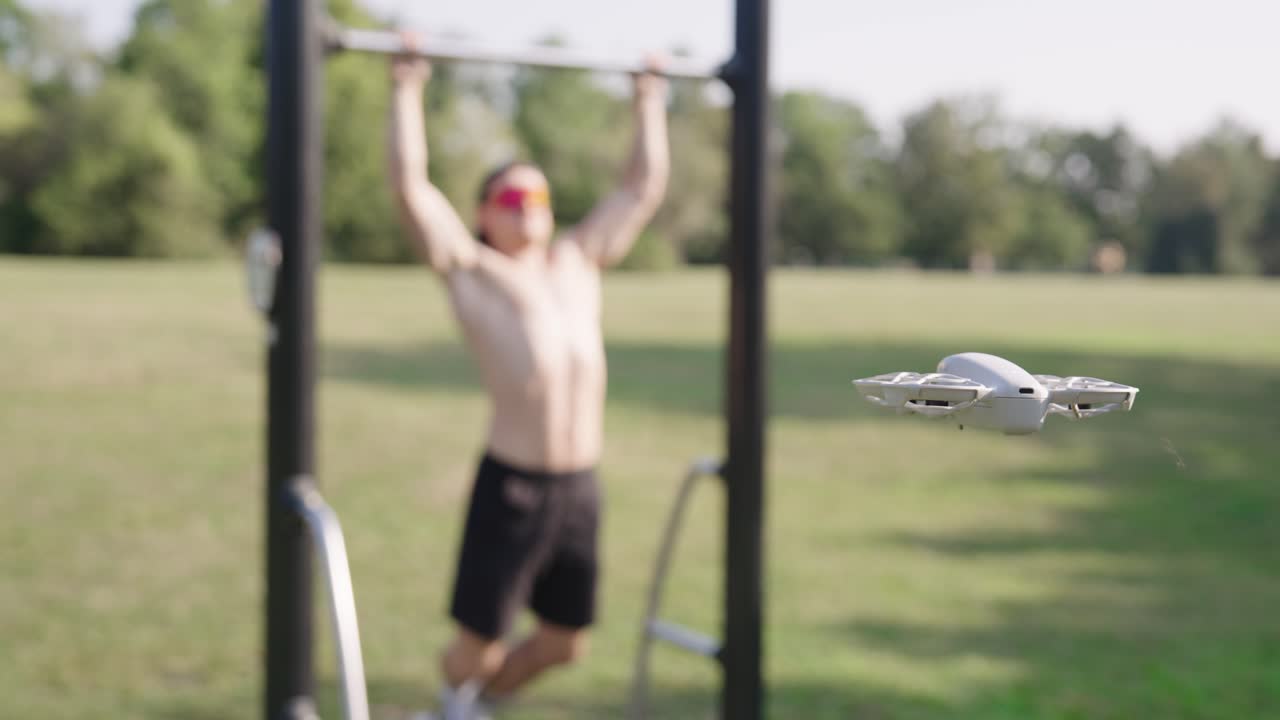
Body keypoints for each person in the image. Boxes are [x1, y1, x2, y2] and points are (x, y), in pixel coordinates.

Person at [386, 36, 670, 720]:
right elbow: (411, 188)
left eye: (536, 191)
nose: (525, 202)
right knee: (479, 646)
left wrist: (649, 101)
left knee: (565, 643)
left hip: (579, 485)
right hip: (512, 485)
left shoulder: (579, 260)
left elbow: (641, 188)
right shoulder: (474, 274)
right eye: (509, 194)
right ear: (484, 214)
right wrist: (405, 87)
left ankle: (468, 706)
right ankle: (456, 695)